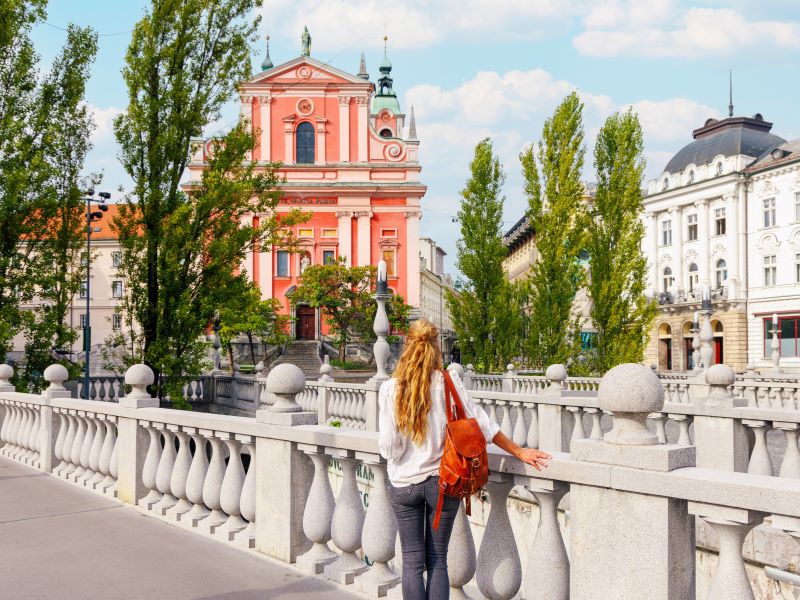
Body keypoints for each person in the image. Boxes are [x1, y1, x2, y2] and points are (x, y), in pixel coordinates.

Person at [379, 319, 550, 600]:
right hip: (444, 483)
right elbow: (481, 426)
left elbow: (390, 449)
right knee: (438, 559)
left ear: (407, 346)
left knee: (411, 562)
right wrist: (519, 452)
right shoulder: (449, 381)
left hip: (403, 485)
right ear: (437, 349)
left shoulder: (391, 389)